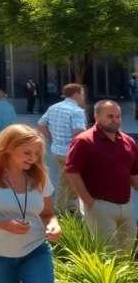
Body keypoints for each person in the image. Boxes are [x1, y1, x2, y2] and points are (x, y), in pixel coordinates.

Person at [0, 125, 59, 283]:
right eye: (27, 153)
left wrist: (54, 226)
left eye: (37, 153)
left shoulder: (40, 175)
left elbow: (48, 214)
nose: (33, 159)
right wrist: (2, 224)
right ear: (7, 148)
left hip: (36, 249)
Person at [64, 100, 138, 254]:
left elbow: (133, 172)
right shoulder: (84, 141)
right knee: (107, 255)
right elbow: (72, 171)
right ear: (96, 117)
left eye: (118, 116)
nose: (115, 120)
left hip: (127, 205)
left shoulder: (128, 141)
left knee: (126, 252)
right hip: (99, 205)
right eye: (110, 116)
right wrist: (89, 203)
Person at [36, 83, 86, 213]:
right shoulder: (77, 111)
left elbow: (41, 124)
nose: (83, 97)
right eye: (82, 94)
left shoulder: (54, 107)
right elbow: (78, 132)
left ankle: (71, 207)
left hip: (57, 150)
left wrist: (51, 138)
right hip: (71, 152)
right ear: (76, 94)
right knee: (65, 182)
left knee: (69, 180)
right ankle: (60, 211)